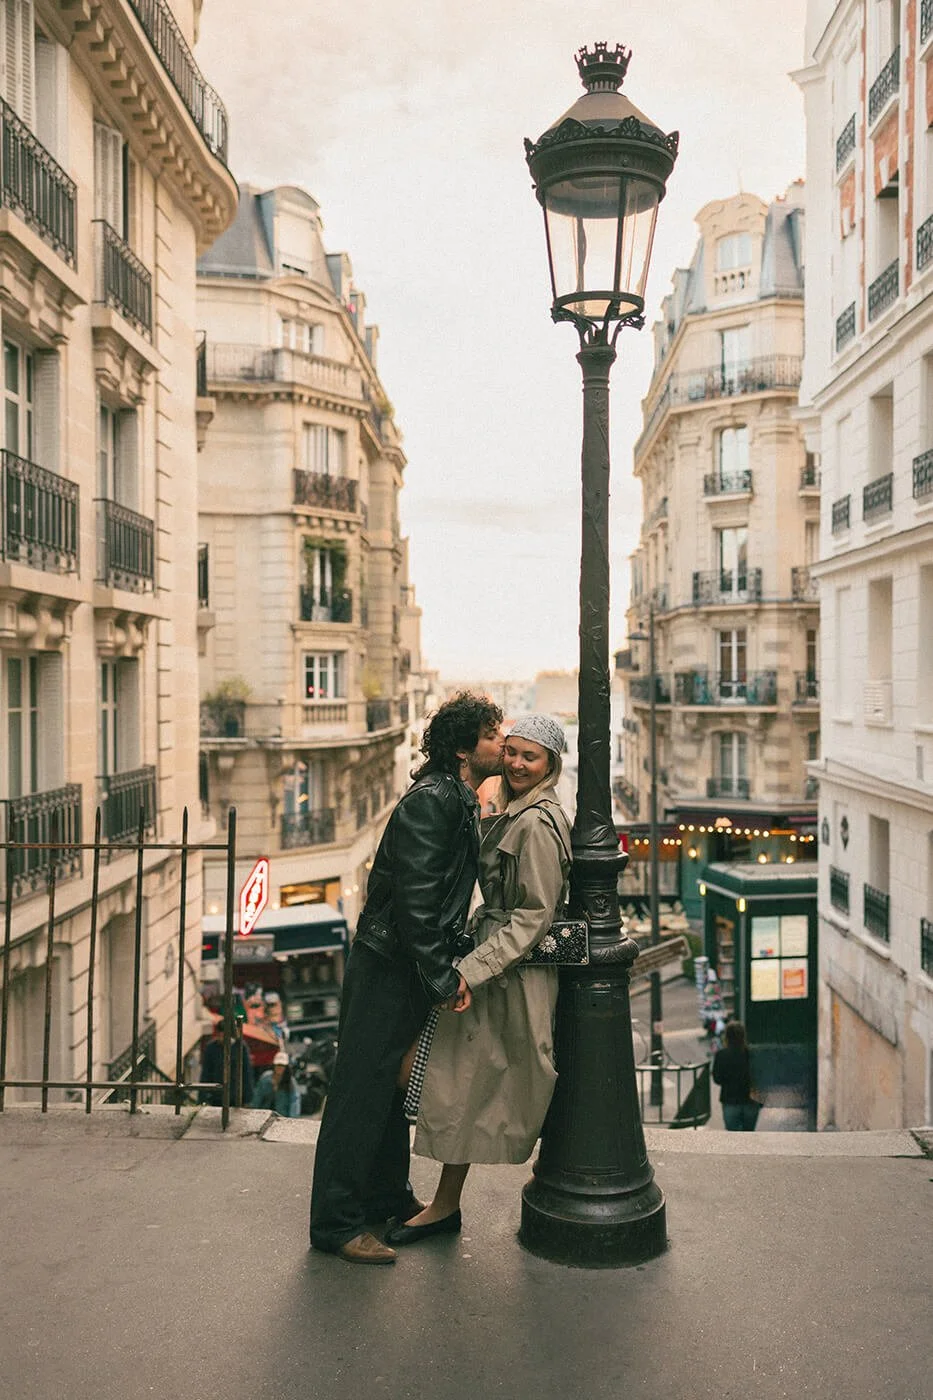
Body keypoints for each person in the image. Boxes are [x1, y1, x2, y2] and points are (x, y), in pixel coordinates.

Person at [309, 692, 505, 1265]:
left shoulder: (460, 798)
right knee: (360, 1094)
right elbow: (416, 904)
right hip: (389, 965)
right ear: (466, 748)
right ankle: (336, 1224)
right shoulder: (433, 802)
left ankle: (386, 1196)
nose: (503, 743)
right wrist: (443, 977)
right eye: (493, 735)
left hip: (406, 965)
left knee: (391, 1095)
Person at [386, 713, 572, 1247]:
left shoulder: (537, 822)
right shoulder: (518, 810)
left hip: (503, 977)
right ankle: (442, 1205)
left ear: (550, 764)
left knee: (460, 1085)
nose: (514, 762)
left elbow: (533, 915)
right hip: (495, 970)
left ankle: (443, 1207)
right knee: (460, 1087)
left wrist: (469, 970)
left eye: (528, 756)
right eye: (510, 751)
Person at [712, 1019, 760, 1131]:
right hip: (750, 1101)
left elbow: (717, 1079)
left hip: (730, 1101)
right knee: (749, 1135)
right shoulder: (751, 1054)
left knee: (733, 1138)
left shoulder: (721, 1055)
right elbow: (759, 1076)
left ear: (726, 1037)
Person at [198, 1016, 254, 1107]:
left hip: (235, 1096)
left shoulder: (240, 1047)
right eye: (219, 1034)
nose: (220, 1037)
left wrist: (248, 1099)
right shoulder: (211, 1048)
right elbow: (206, 1073)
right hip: (216, 1096)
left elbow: (246, 1073)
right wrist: (203, 1098)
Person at [252, 1050, 301, 1117]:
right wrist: (254, 1113)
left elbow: (294, 1102)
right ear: (274, 1065)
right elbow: (257, 1097)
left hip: (282, 1117)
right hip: (264, 1115)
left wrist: (292, 1120)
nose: (280, 1067)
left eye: (282, 1065)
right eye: (278, 1065)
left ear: (286, 1067)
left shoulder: (291, 1082)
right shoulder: (265, 1078)